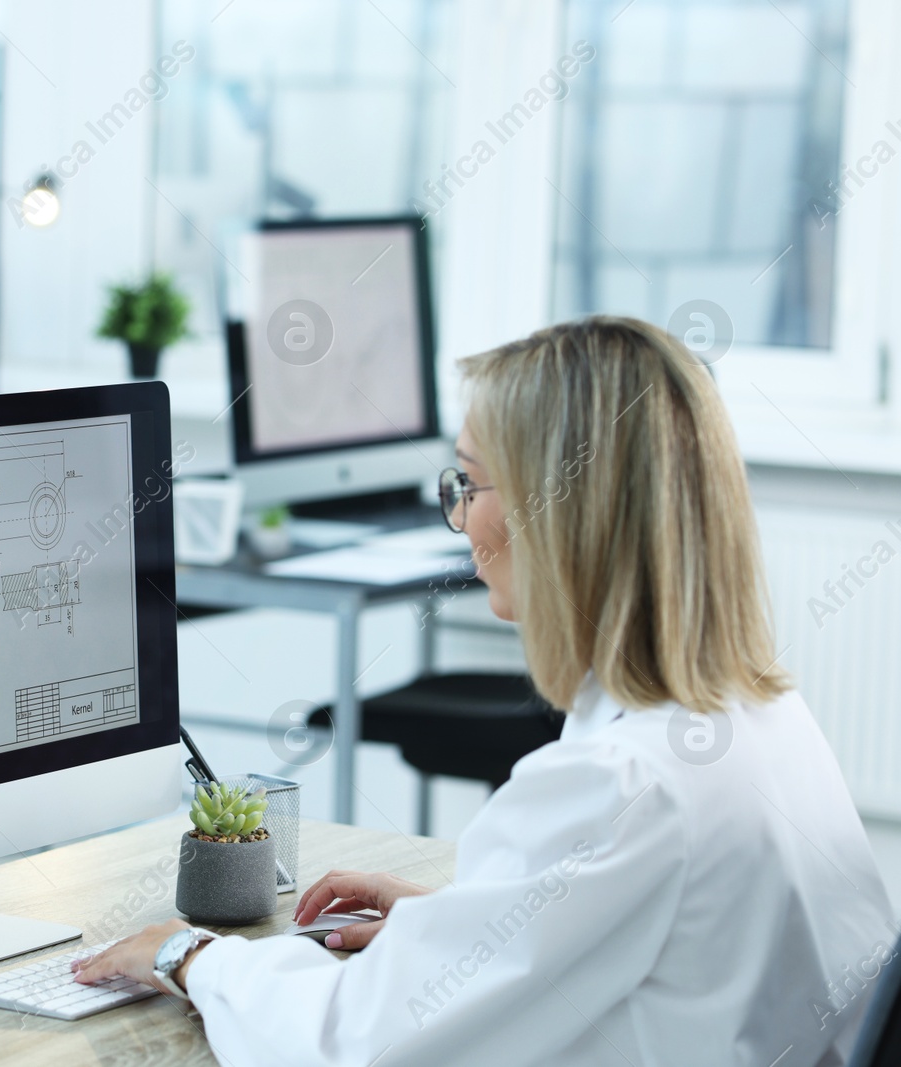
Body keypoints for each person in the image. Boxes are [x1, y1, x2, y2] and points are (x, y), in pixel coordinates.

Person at [73, 317, 896, 1065]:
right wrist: (465, 917)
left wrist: (191, 957)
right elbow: (659, 930)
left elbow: (352, 1045)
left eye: (469, 483)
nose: (460, 518)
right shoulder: (759, 717)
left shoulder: (622, 783)